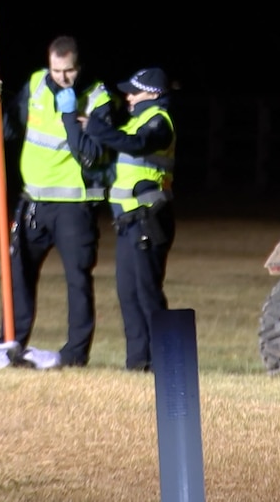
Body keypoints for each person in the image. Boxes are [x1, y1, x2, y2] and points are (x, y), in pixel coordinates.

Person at [0, 35, 115, 367]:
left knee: (78, 280)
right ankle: (11, 341)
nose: (62, 78)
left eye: (68, 71)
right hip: (33, 204)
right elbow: (8, 128)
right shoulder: (37, 85)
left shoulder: (97, 97)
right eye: (57, 71)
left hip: (73, 206)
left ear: (78, 67)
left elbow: (95, 154)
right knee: (18, 274)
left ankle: (75, 354)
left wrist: (72, 118)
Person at [84, 67, 177, 372]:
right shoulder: (138, 120)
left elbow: (137, 145)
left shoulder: (158, 122)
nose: (127, 96)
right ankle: (138, 363)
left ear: (152, 95)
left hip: (147, 220)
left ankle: (165, 363)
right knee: (128, 292)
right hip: (129, 223)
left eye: (133, 91)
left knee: (147, 292)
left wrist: (98, 130)